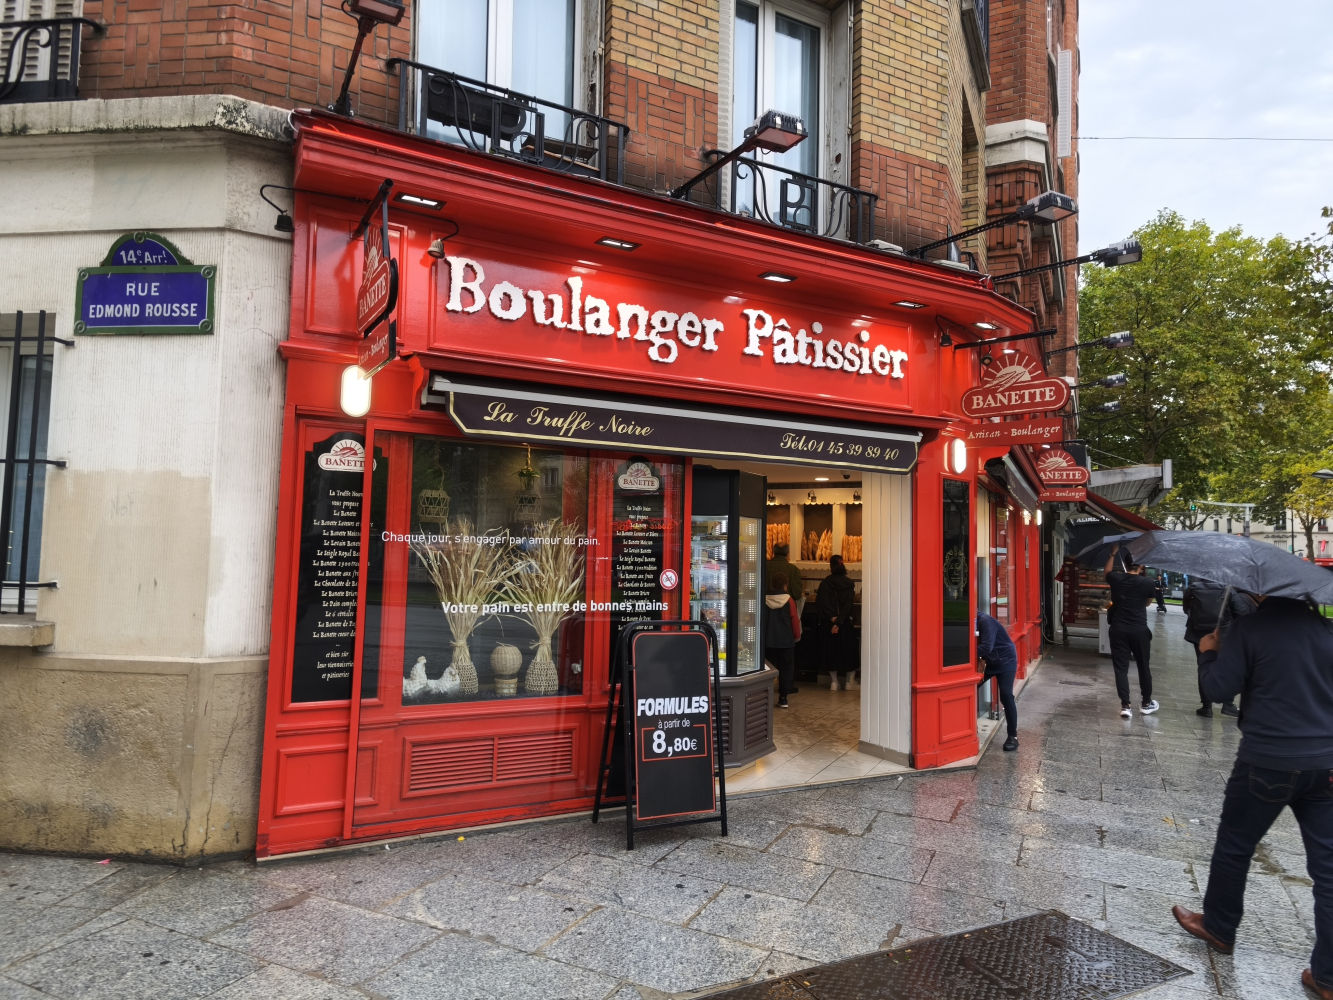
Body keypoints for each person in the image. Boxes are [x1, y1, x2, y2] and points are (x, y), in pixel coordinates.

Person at [1170, 594, 1333, 999]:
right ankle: (1328, 977)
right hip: (1325, 764)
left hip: (1267, 760)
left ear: (1262, 593)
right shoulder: (1328, 632)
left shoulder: (1249, 629)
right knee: (1329, 873)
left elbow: (1219, 687)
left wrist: (1209, 652)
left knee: (1235, 846)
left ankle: (1219, 927)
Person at [1182, 578, 1255, 718]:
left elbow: (1186, 608)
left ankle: (1206, 706)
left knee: (1202, 665)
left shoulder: (1193, 587)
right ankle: (1228, 705)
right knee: (1228, 667)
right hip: (1223, 635)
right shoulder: (1228, 589)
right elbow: (1240, 611)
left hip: (1199, 634)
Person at [1104, 546, 1160, 718]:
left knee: (1121, 668)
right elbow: (1148, 603)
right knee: (1143, 666)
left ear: (1125, 565)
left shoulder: (1117, 578)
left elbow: (1106, 572)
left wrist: (1113, 554)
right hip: (1139, 630)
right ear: (1141, 566)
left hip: (1119, 629)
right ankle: (1146, 702)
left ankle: (1125, 706)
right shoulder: (1148, 583)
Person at [976, 611, 1019, 751]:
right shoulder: (974, 622)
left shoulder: (985, 621)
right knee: (969, 689)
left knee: (1006, 695)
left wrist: (963, 652)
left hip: (1006, 661)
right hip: (989, 662)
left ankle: (1013, 736)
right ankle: (970, 727)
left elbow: (986, 647)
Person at [815, 554, 857, 691]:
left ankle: (834, 682)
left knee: (831, 652)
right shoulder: (849, 583)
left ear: (830, 567)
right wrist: (839, 621)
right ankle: (849, 682)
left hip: (829, 623)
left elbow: (821, 603)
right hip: (844, 623)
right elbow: (848, 606)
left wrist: (832, 619)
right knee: (849, 652)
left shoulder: (825, 583)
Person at [763, 570, 801, 708]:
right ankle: (783, 698)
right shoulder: (789, 600)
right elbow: (794, 620)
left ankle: (765, 697)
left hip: (768, 640)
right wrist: (797, 636)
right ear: (785, 585)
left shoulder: (764, 599)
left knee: (767, 670)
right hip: (785, 641)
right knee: (786, 669)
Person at [768, 543, 804, 612]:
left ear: (773, 552)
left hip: (765, 610)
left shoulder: (764, 567)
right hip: (786, 610)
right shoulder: (793, 569)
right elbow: (797, 594)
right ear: (787, 554)